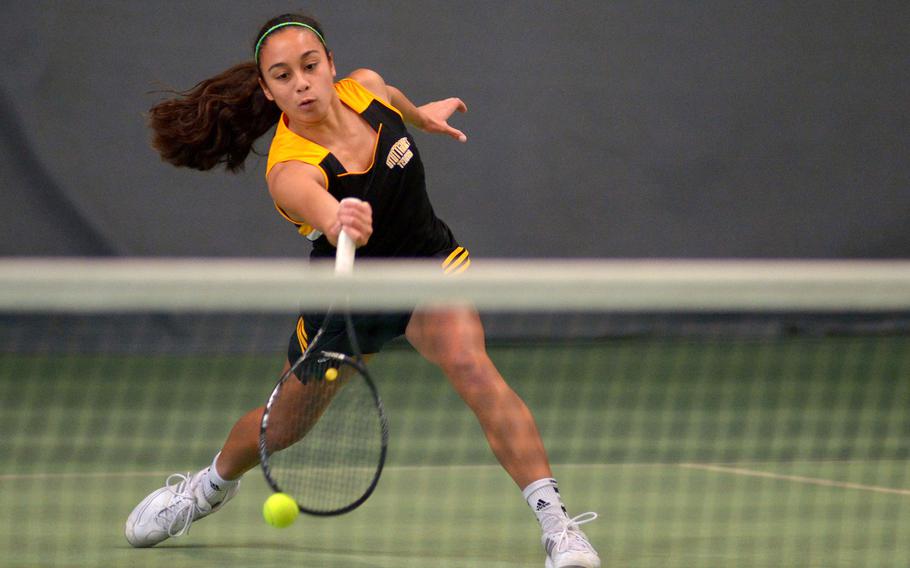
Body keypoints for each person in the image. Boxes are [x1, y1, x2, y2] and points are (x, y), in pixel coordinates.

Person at [125, 13, 600, 568]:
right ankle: (207, 487)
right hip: (348, 299)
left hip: (425, 267)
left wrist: (423, 118)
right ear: (268, 90)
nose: (300, 82)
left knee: (475, 369)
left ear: (330, 66)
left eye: (309, 66)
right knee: (282, 428)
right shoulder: (289, 169)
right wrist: (338, 217)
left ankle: (558, 526)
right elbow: (318, 205)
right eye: (282, 76)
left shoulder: (367, 89)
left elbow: (397, 102)